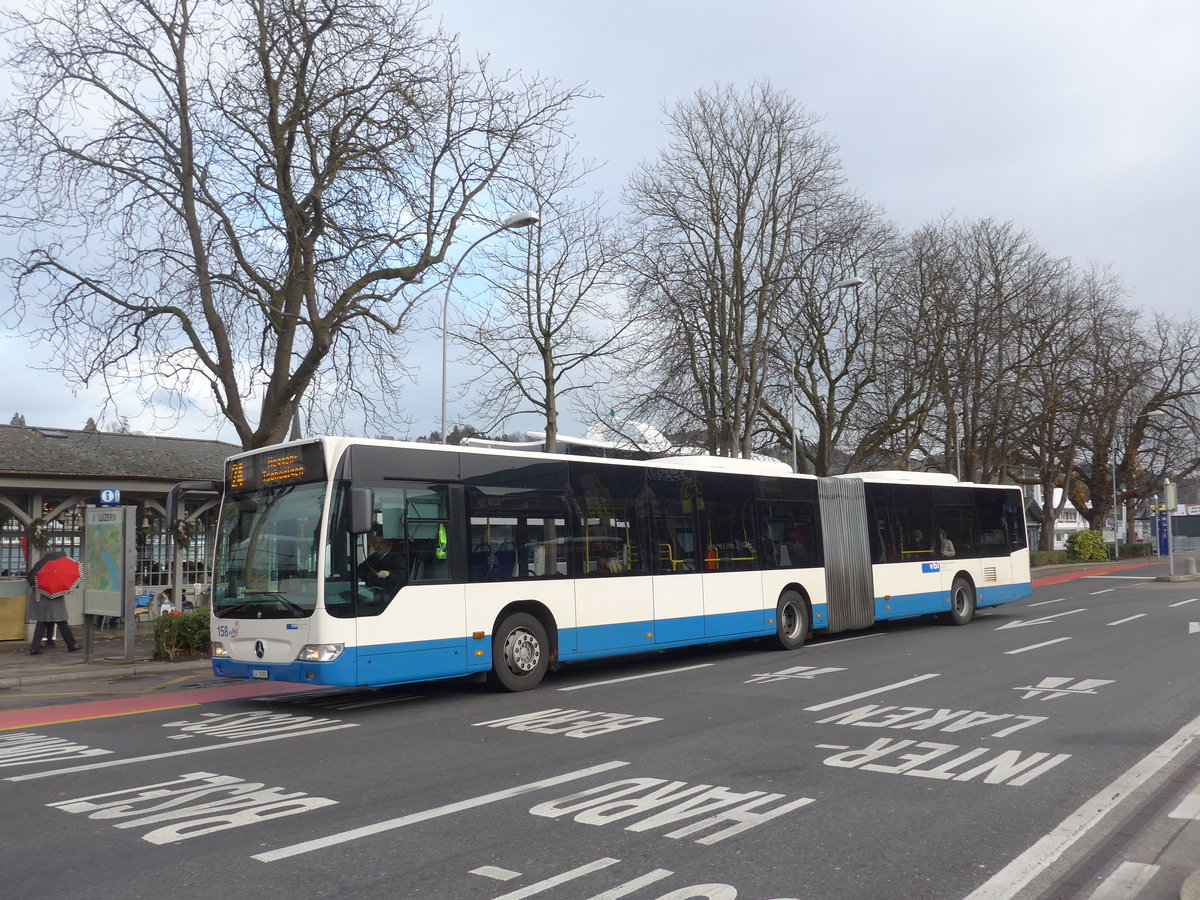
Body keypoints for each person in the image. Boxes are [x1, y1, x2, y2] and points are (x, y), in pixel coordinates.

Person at [362, 529, 406, 595]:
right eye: (376, 543)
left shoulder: (397, 558)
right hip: (371, 592)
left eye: (382, 543)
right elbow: (360, 570)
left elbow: (404, 575)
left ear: (390, 544)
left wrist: (389, 574)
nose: (378, 546)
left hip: (390, 594)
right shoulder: (372, 557)